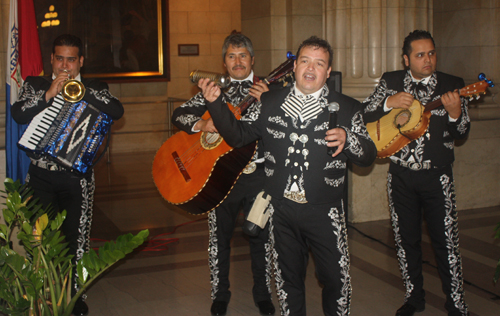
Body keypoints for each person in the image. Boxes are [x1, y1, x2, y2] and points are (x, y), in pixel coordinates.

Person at [200, 36, 377, 315]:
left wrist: (349, 138)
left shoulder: (347, 107)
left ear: (328, 72)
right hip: (281, 211)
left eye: (319, 64)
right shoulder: (270, 102)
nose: (310, 68)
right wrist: (215, 106)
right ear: (294, 67)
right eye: (305, 61)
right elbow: (239, 136)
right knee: (287, 281)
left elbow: (369, 155)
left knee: (335, 279)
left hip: (324, 211)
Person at [11, 34, 124, 316]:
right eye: (59, 58)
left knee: (77, 240)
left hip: (77, 180)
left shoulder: (95, 87)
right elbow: (18, 114)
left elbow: (116, 109)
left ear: (80, 61)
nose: (64, 65)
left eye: (71, 59)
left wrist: (82, 90)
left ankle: (75, 297)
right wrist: (49, 94)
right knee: (40, 238)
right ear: (51, 59)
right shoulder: (35, 85)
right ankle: (44, 291)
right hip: (40, 176)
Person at [362, 30, 470, 316]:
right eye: (420, 55)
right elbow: (363, 113)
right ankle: (414, 298)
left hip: (438, 176)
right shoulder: (391, 81)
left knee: (445, 240)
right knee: (405, 239)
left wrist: (456, 112)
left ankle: (457, 304)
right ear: (406, 58)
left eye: (432, 53)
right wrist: (388, 103)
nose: (428, 60)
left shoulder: (452, 85)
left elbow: (462, 132)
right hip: (401, 176)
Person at [171, 32, 276, 316]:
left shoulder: (271, 87)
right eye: (231, 56)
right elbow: (178, 114)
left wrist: (269, 101)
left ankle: (263, 294)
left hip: (259, 176)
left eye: (243, 55)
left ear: (252, 59)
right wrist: (201, 125)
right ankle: (220, 294)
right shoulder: (214, 89)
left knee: (261, 237)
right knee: (219, 238)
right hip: (221, 178)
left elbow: (285, 123)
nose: (238, 61)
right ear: (224, 62)